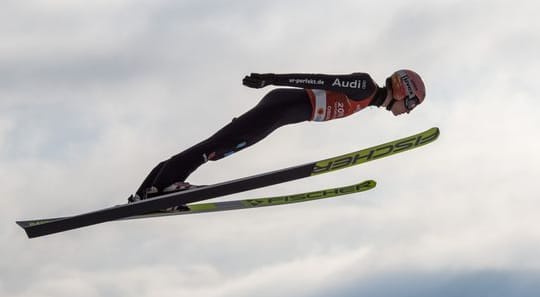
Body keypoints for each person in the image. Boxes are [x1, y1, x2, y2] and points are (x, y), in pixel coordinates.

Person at [128, 70, 426, 202]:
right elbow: (317, 79)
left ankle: (146, 192)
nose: (408, 111)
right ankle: (164, 187)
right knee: (217, 147)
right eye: (411, 103)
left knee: (217, 145)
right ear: (403, 91)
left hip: (281, 112)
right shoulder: (365, 87)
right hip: (280, 107)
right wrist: (272, 78)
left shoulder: (368, 98)